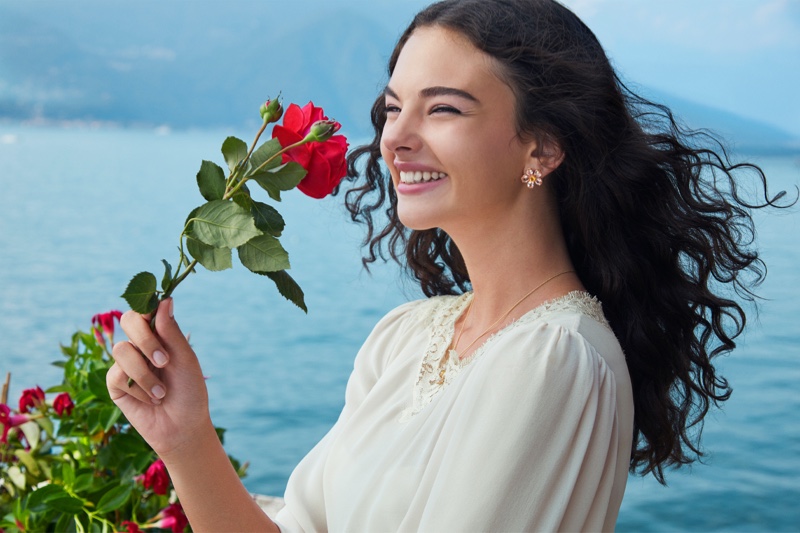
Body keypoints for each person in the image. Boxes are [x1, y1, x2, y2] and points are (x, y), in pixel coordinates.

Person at [106, 0, 786, 531]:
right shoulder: (404, 336)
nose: (395, 137)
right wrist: (186, 437)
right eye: (394, 107)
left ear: (543, 148)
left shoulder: (556, 358)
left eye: (444, 109)